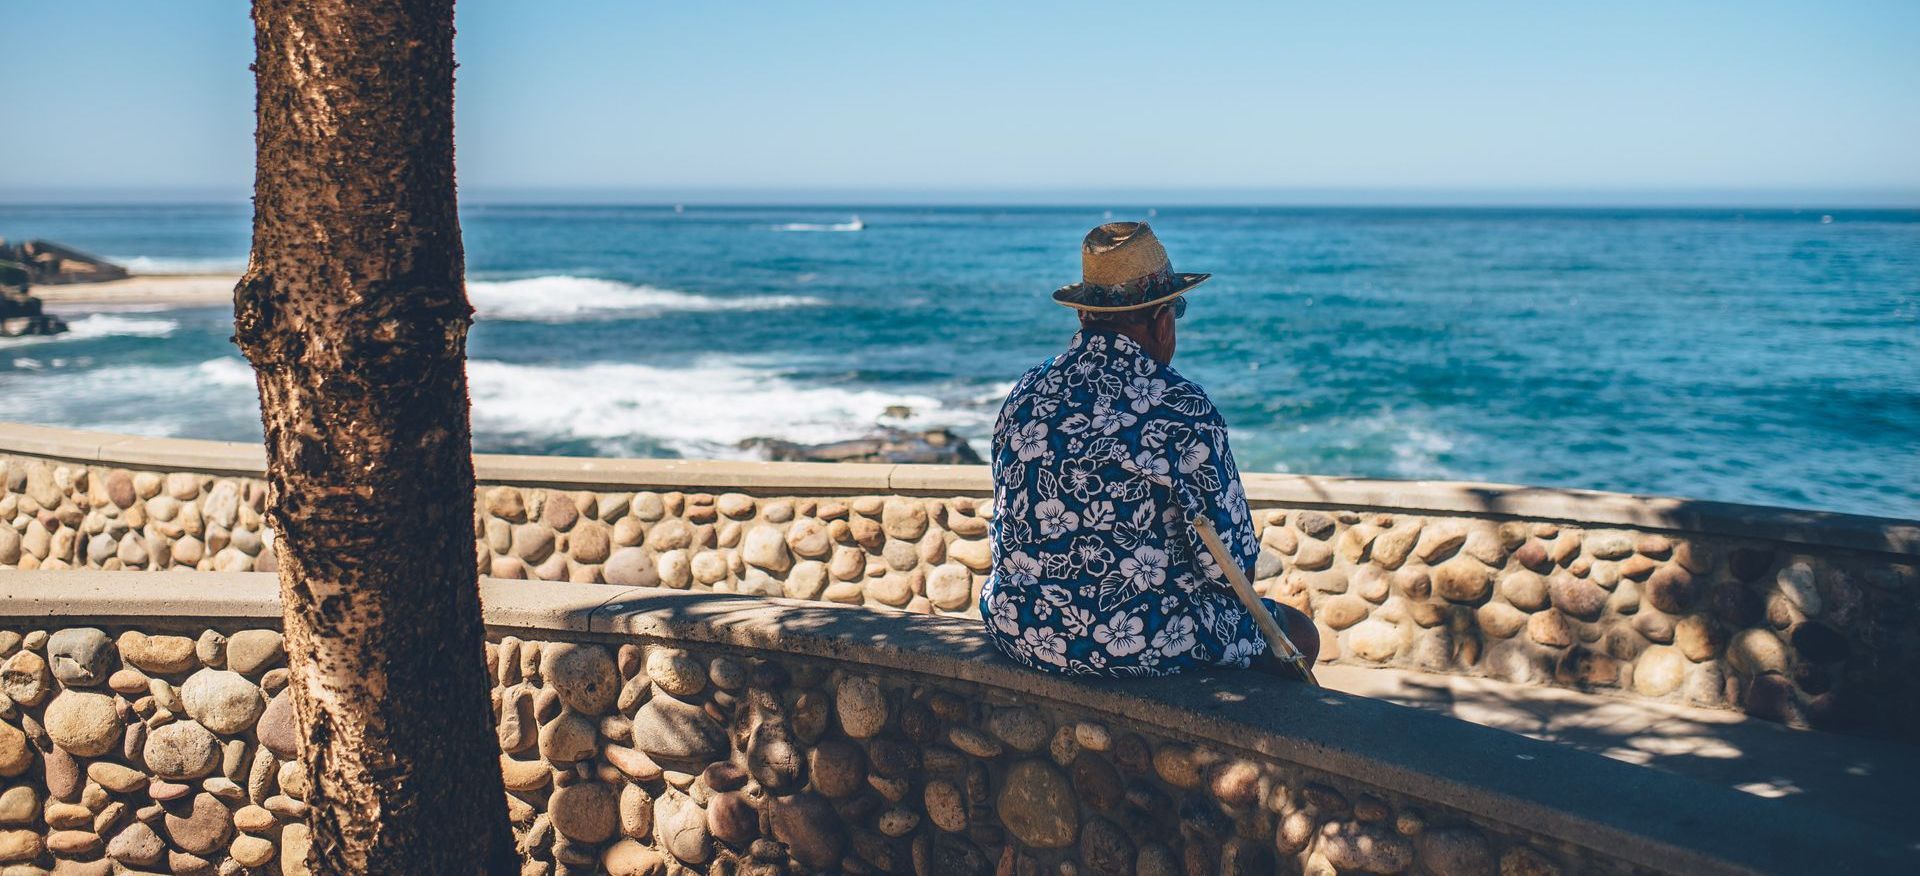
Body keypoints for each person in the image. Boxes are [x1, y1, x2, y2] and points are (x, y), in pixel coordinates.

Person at [979, 222, 1318, 679]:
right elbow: (1232, 568)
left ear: (1084, 315)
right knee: (1299, 633)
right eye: (1177, 310)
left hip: (1021, 628)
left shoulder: (1028, 391)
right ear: (1161, 320)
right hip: (1135, 645)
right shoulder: (1181, 407)